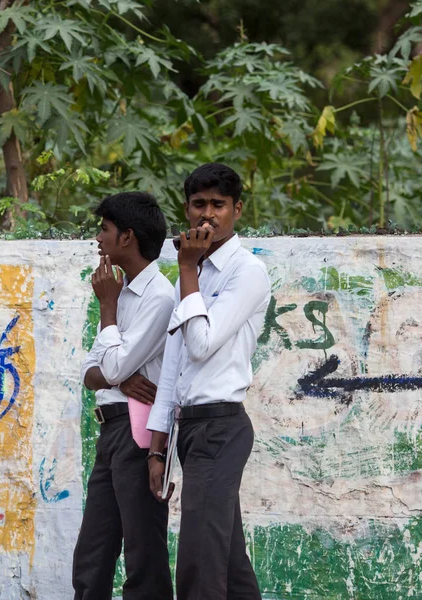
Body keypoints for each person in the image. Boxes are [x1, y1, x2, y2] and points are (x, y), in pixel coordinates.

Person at [146, 163, 271, 600]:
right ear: (187, 208)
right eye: (199, 204)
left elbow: (201, 345)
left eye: (218, 205)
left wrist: (187, 270)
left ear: (237, 210)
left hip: (221, 427)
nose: (207, 215)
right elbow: (175, 365)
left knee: (199, 564)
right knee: (228, 566)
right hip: (191, 429)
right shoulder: (195, 274)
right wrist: (157, 446)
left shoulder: (246, 271)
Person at [73, 192, 175, 600]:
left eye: (105, 229)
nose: (98, 238)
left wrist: (108, 309)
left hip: (140, 435)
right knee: (92, 556)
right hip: (111, 433)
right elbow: (88, 374)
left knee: (142, 555)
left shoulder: (159, 297)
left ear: (128, 237)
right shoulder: (122, 290)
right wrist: (116, 377)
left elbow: (109, 368)